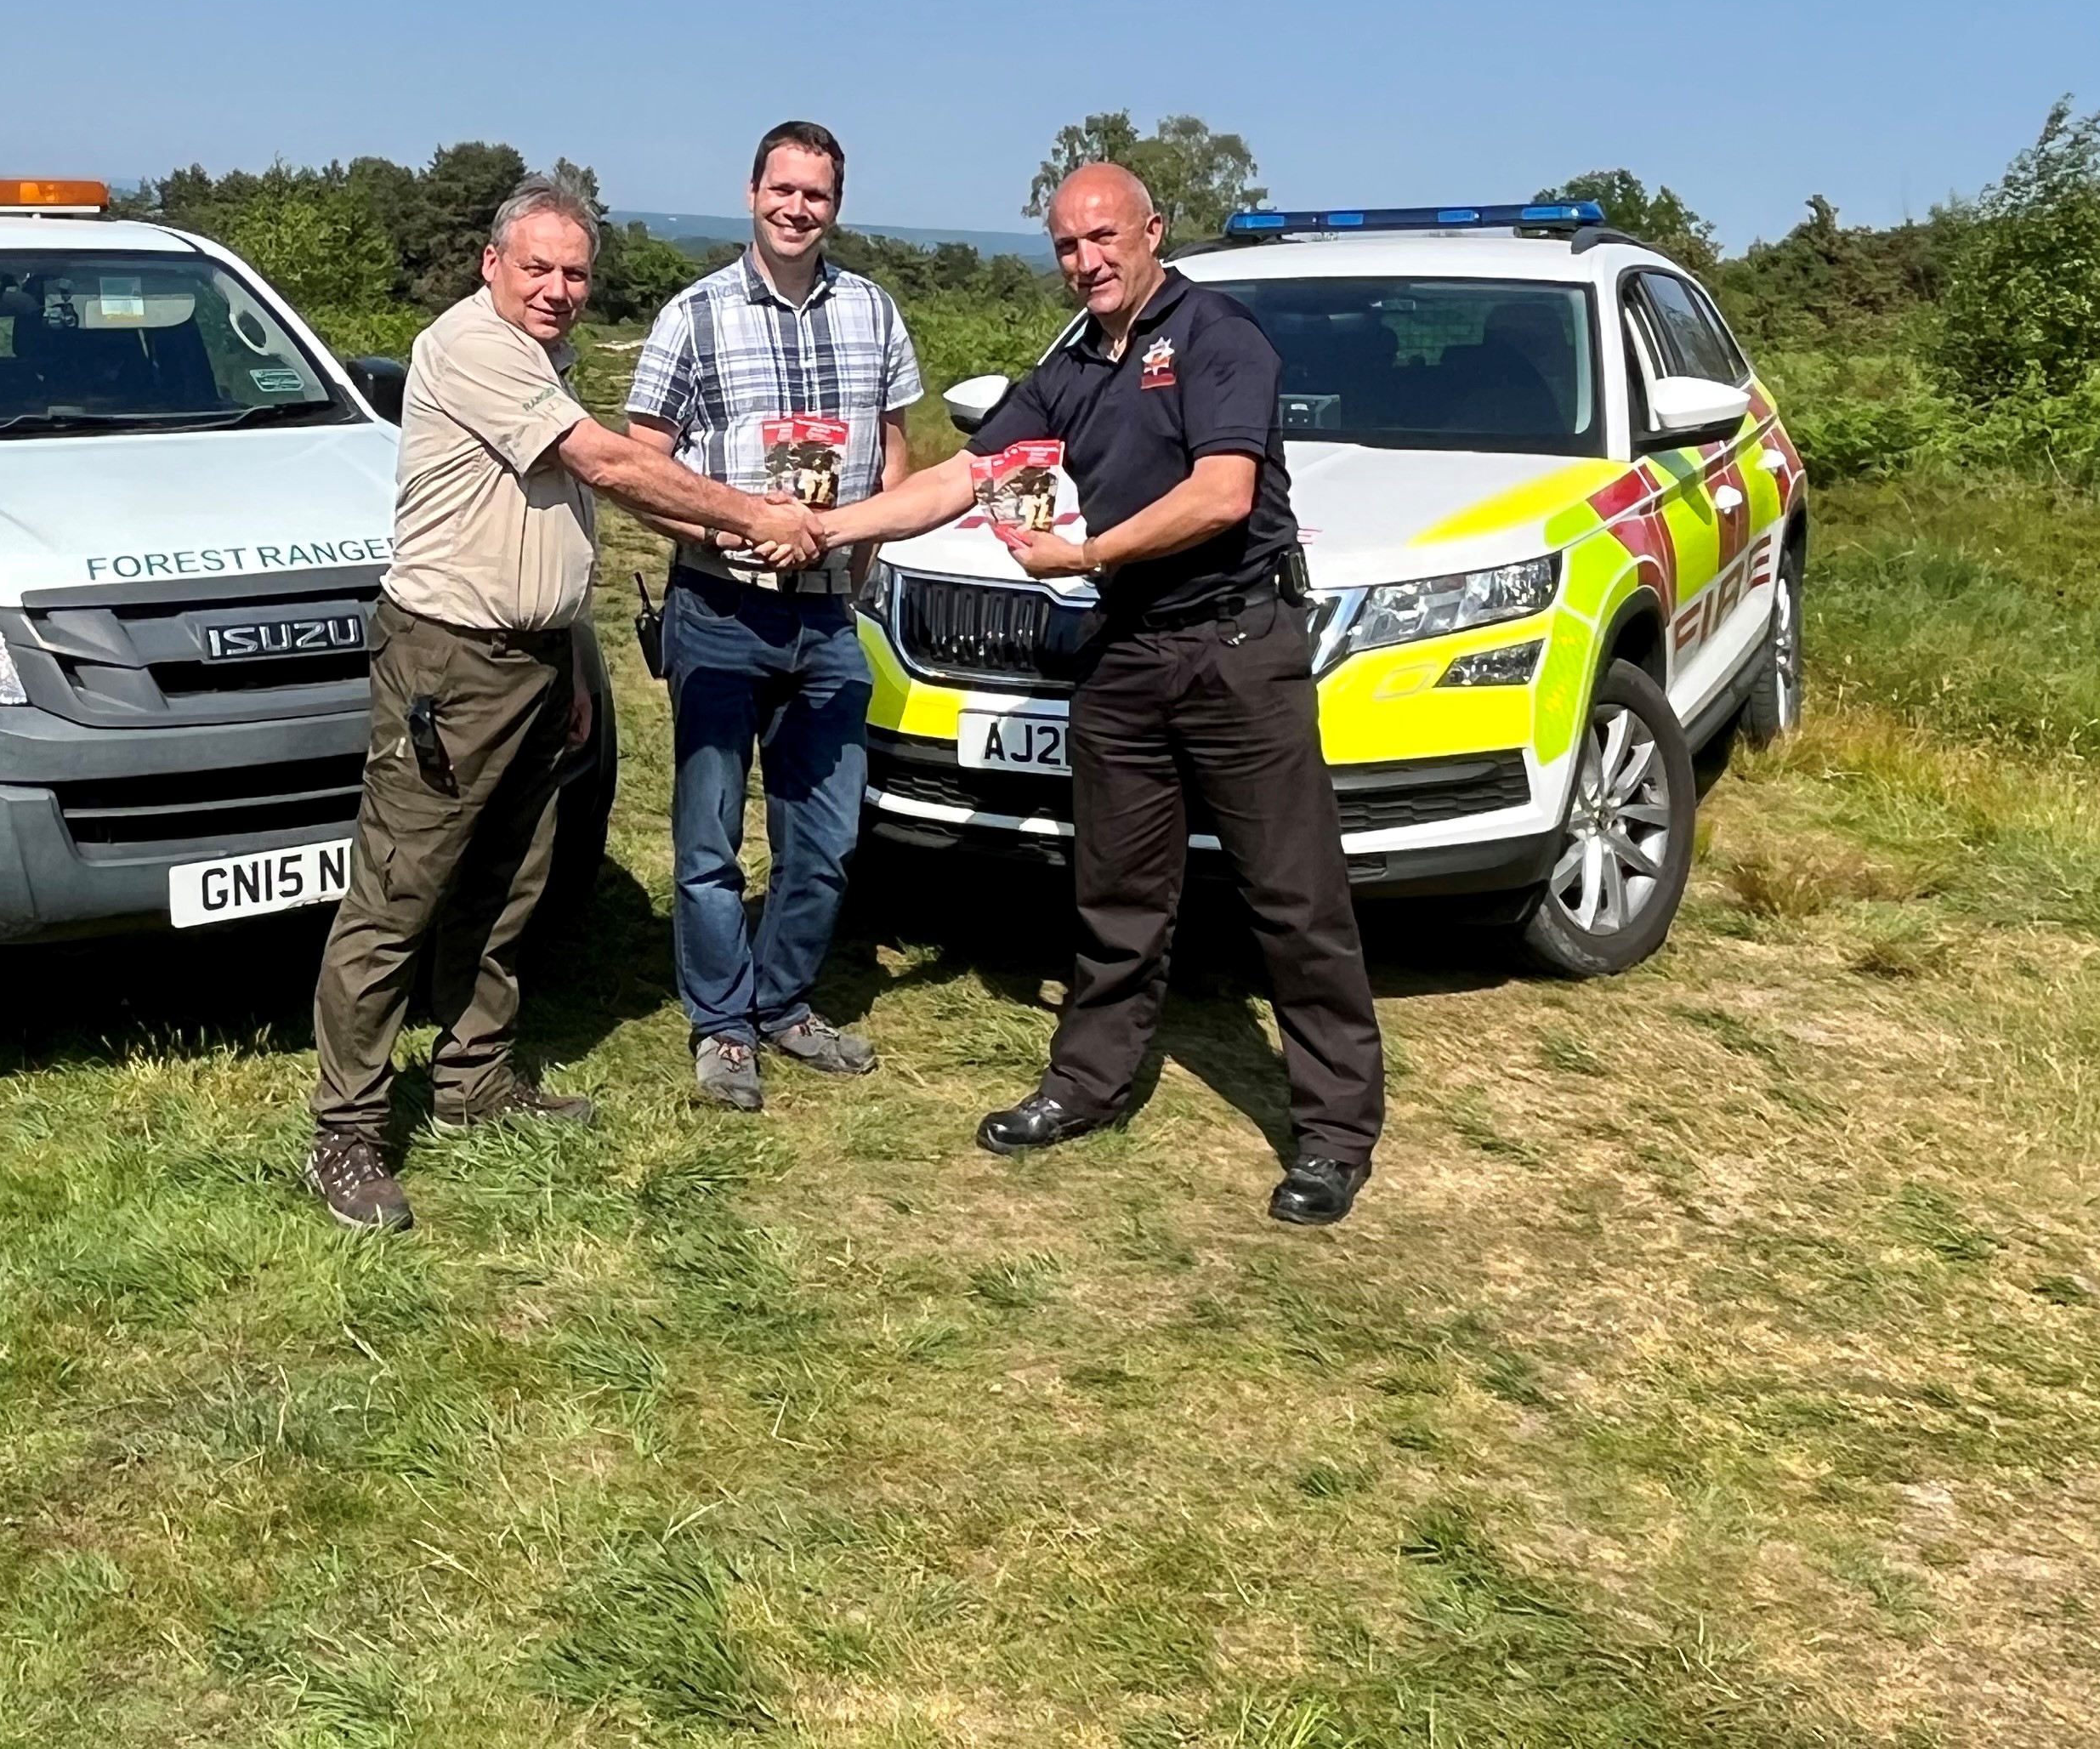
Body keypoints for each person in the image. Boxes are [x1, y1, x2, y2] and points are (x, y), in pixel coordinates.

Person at [814, 162, 1385, 1225]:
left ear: (1151, 232)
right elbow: (967, 475)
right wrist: (829, 527)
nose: (1086, 261)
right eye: (1068, 246)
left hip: (1237, 643)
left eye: (1102, 238)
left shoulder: (1219, 338)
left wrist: (1086, 553)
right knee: (1116, 890)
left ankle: (1335, 1132)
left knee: (1294, 900)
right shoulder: (1073, 363)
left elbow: (1225, 495)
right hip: (1125, 650)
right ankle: (1086, 1084)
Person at [306, 173, 828, 1233]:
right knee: (399, 896)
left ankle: (475, 1081)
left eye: (575, 272)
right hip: (450, 663)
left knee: (507, 884)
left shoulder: (542, 352)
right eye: (535, 267)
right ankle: (344, 1131)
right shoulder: (473, 345)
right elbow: (601, 462)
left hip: (537, 656)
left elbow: (555, 517)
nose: (556, 289)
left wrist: (572, 661)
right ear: (490, 264)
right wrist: (748, 516)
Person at [624, 119, 923, 1110]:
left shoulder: (874, 312)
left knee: (826, 838)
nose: (798, 209)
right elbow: (641, 462)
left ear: (836, 206)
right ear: (752, 193)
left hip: (829, 612)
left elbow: (894, 450)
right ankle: (722, 1028)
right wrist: (729, 535)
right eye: (783, 190)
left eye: (818, 195)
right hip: (719, 605)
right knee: (709, 837)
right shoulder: (694, 316)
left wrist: (860, 557)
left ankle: (785, 1003)